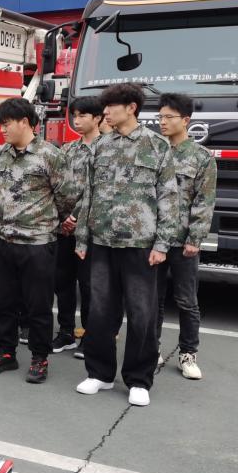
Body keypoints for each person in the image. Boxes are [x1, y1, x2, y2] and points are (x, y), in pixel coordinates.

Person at [74, 83, 179, 407]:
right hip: (102, 241)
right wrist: (82, 237)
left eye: (111, 107)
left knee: (141, 314)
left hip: (140, 243)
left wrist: (162, 243)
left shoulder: (156, 145)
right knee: (100, 312)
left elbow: (169, 197)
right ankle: (100, 374)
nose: (105, 112)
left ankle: (138, 379)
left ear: (131, 107)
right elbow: (88, 194)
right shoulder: (100, 146)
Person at [0, 98, 74, 383]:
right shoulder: (0, 154)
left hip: (37, 242)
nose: (2, 129)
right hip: (2, 239)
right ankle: (5, 352)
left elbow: (66, 195)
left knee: (38, 305)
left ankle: (39, 357)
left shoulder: (49, 155)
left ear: (25, 122)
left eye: (6, 123)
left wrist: (51, 220)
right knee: (3, 301)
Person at [156, 93, 216, 380]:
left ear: (186, 120)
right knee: (152, 299)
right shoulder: (154, 151)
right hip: (154, 240)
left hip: (183, 242)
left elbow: (205, 200)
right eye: (160, 117)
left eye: (169, 117)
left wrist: (195, 238)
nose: (162, 122)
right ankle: (152, 348)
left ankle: (188, 354)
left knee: (186, 301)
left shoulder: (201, 157)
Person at [53, 96, 103, 357]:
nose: (77, 120)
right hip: (65, 228)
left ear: (98, 118)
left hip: (91, 229)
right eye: (75, 115)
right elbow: (58, 185)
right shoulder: (68, 149)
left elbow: (99, 190)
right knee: (62, 281)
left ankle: (90, 334)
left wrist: (75, 217)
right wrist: (64, 217)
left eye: (83, 115)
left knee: (89, 285)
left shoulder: (106, 149)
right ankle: (65, 332)